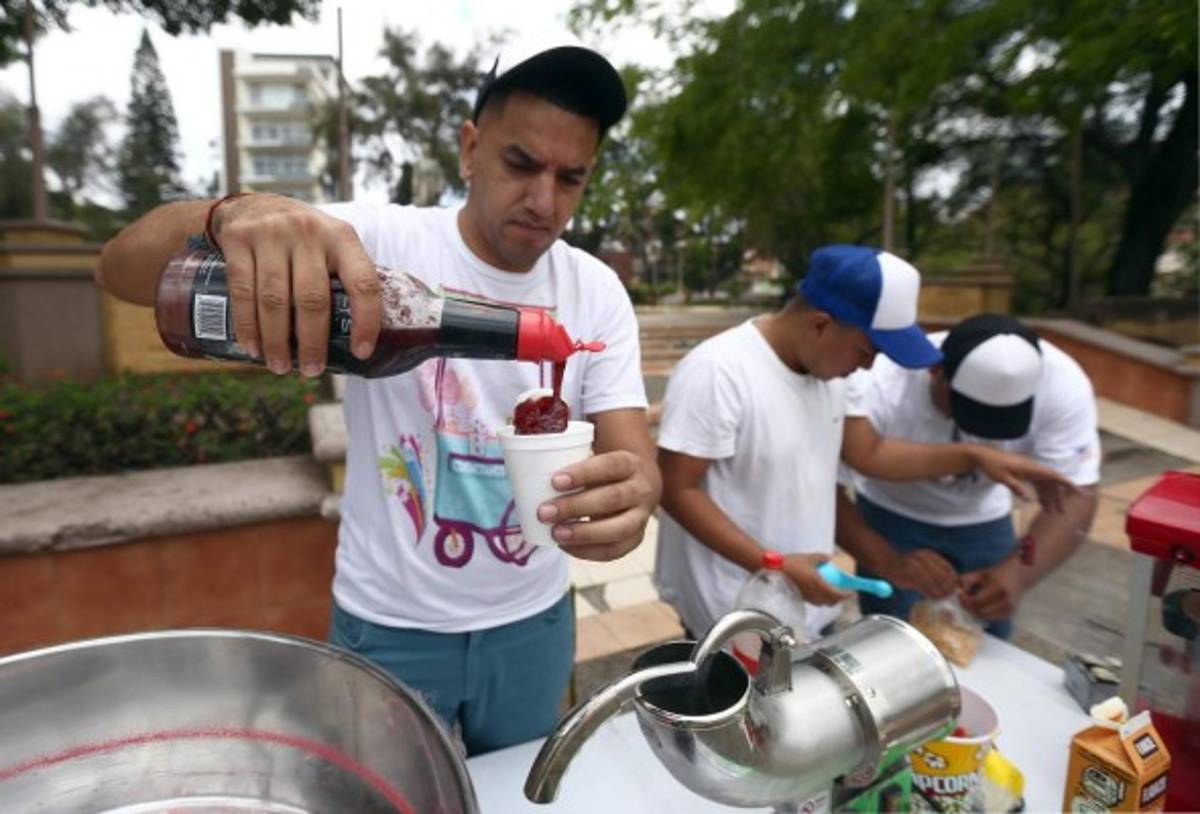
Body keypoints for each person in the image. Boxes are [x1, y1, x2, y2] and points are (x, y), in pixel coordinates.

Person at [95, 36, 661, 754]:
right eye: (521, 164)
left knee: (526, 794)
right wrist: (232, 217)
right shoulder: (376, 245)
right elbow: (117, 269)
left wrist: (633, 498)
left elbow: (634, 458)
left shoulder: (597, 291)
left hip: (534, 621)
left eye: (571, 178)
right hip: (389, 624)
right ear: (470, 148)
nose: (543, 201)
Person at [654, 245, 1072, 641]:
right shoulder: (718, 372)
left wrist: (893, 559)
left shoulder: (833, 377)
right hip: (730, 613)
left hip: (805, 609)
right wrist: (774, 565)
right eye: (867, 350)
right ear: (820, 324)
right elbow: (676, 489)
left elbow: (845, 469)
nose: (869, 366)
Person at [845, 313, 1100, 637]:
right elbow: (836, 479)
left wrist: (1017, 574)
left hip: (984, 521)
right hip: (888, 511)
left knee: (990, 637)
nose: (978, 433)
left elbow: (1078, 496)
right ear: (935, 371)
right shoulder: (883, 378)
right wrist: (887, 560)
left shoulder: (1062, 384)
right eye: (966, 410)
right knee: (889, 642)